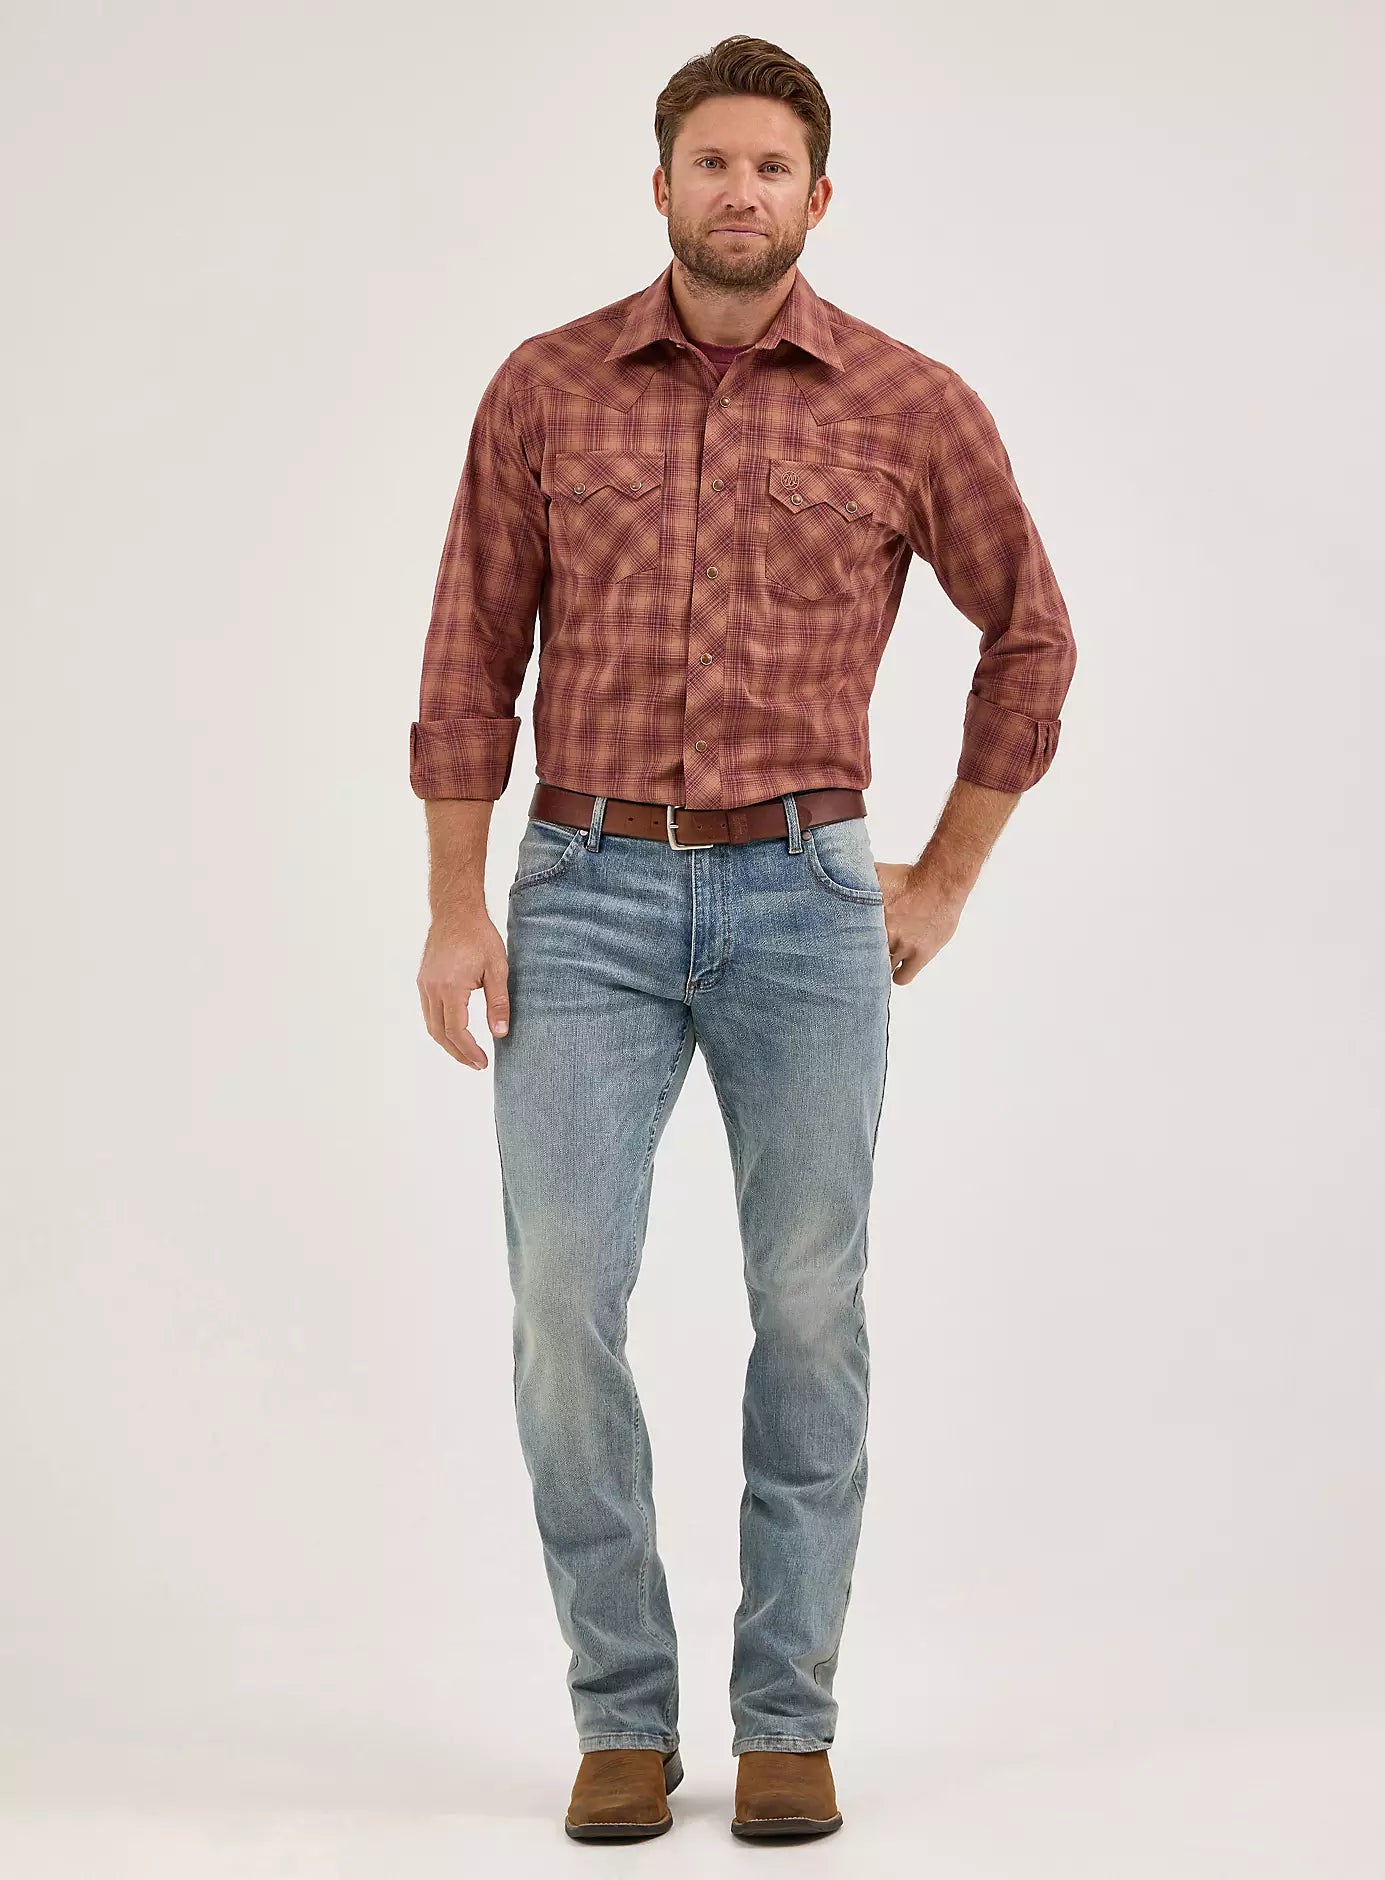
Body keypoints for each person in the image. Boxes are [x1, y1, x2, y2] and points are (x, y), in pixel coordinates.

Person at [409, 33, 1076, 1844]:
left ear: (818, 196)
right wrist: (457, 905)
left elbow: (1033, 634)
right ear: (660, 185)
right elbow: (469, 654)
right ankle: (621, 1714)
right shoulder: (546, 388)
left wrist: (942, 877)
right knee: (563, 1301)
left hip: (805, 902)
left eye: (772, 165)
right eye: (711, 160)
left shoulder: (910, 404)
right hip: (586, 893)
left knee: (807, 1302)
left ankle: (788, 1716)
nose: (739, 190)